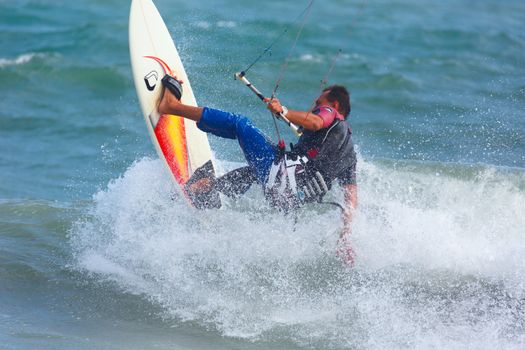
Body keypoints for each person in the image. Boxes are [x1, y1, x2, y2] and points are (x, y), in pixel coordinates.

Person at [159, 75, 357, 264]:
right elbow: (351, 198)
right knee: (253, 171)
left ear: (335, 105)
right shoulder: (349, 154)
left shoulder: (332, 115)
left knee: (240, 124)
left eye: (318, 104)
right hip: (288, 200)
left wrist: (284, 111)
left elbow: (315, 121)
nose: (315, 107)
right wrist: (345, 236)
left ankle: (172, 106)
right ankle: (208, 190)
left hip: (279, 176)